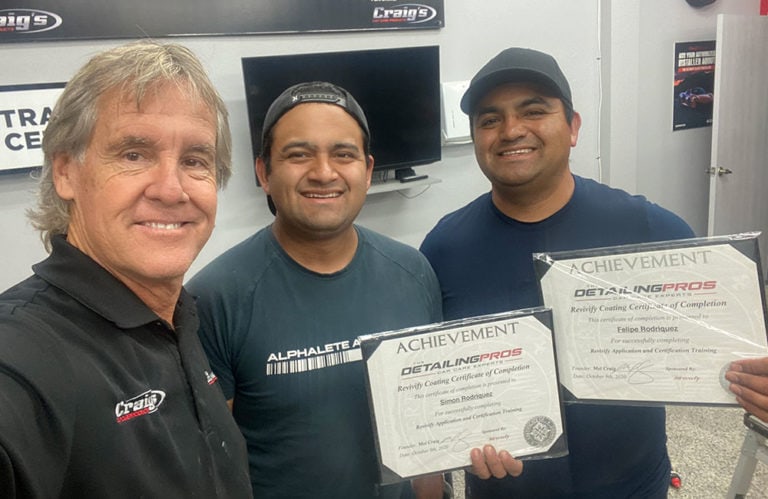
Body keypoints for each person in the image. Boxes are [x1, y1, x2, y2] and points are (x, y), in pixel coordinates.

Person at [420, 47, 697, 498]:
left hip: (631, 488)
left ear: (573, 127)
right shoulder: (443, 249)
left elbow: (724, 338)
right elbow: (429, 388)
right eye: (490, 120)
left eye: (534, 111)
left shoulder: (648, 228)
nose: (511, 130)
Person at [0, 41, 252, 497]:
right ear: (66, 173)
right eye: (134, 154)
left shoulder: (178, 317)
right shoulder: (25, 351)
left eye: (195, 161)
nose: (171, 190)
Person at [186, 81, 444, 498]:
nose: (324, 172)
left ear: (367, 169)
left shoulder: (413, 273)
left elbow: (428, 434)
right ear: (263, 173)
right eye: (298, 154)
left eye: (343, 154)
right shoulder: (215, 298)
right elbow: (214, 467)